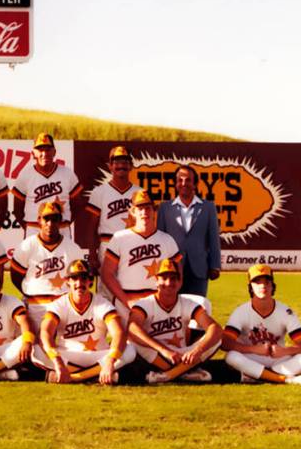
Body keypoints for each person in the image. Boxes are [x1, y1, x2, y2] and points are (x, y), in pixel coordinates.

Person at [33, 260, 133, 384]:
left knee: (130, 349)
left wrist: (109, 362)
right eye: (74, 278)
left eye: (84, 278)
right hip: (68, 356)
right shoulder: (59, 304)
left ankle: (73, 377)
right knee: (36, 350)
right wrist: (58, 362)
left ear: (90, 281)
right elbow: (45, 332)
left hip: (99, 356)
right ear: (68, 281)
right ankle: (96, 376)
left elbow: (119, 332)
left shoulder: (101, 303)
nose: (79, 283)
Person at [126, 258, 222, 384]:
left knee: (217, 339)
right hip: (156, 354)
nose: (169, 282)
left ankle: (168, 375)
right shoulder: (145, 304)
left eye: (173, 278)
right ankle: (186, 372)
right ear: (156, 280)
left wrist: (197, 350)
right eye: (164, 278)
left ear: (179, 281)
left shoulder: (187, 303)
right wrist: (164, 350)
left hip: (182, 355)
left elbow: (214, 328)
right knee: (133, 341)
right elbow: (132, 328)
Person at [222, 264, 301, 385]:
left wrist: (285, 351)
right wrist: (253, 349)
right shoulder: (241, 311)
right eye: (257, 282)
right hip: (251, 356)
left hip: (277, 359)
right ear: (250, 287)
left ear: (272, 286)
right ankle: (285, 379)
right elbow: (225, 343)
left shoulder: (285, 311)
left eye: (267, 282)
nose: (262, 286)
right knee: (231, 357)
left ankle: (254, 374)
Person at [100, 190, 181, 321]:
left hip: (158, 304)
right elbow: (106, 274)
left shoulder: (167, 240)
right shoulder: (120, 238)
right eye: (140, 208)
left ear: (154, 210)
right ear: (132, 212)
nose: (144, 213)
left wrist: (166, 301)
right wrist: (126, 301)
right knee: (127, 340)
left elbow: (179, 276)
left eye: (148, 208)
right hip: (126, 304)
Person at [8, 200, 86, 334]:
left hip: (63, 305)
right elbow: (15, 276)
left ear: (60, 221)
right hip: (35, 305)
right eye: (46, 218)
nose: (50, 223)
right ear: (39, 220)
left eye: (54, 219)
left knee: (67, 348)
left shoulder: (72, 248)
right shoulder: (27, 245)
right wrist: (29, 292)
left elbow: (81, 280)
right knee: (32, 348)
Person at [157, 165, 221, 297]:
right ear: (175, 184)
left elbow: (213, 238)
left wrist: (215, 265)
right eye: (179, 180)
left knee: (198, 308)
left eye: (188, 180)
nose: (183, 183)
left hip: (199, 269)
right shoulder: (165, 208)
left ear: (195, 184)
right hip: (171, 269)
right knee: (173, 311)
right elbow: (160, 238)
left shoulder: (208, 207)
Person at [82, 145, 142, 276]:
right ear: (110, 166)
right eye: (117, 162)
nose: (121, 166)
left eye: (125, 162)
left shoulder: (140, 193)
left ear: (131, 166)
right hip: (107, 245)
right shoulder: (99, 192)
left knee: (131, 287)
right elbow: (92, 227)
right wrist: (92, 255)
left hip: (132, 246)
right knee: (106, 292)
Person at [11, 133, 83, 237]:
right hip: (34, 229)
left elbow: (77, 205)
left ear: (54, 152)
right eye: (40, 150)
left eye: (48, 149)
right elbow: (17, 209)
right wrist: (29, 227)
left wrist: (65, 223)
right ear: (33, 153)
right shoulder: (25, 175)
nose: (44, 153)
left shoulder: (67, 173)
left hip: (61, 229)